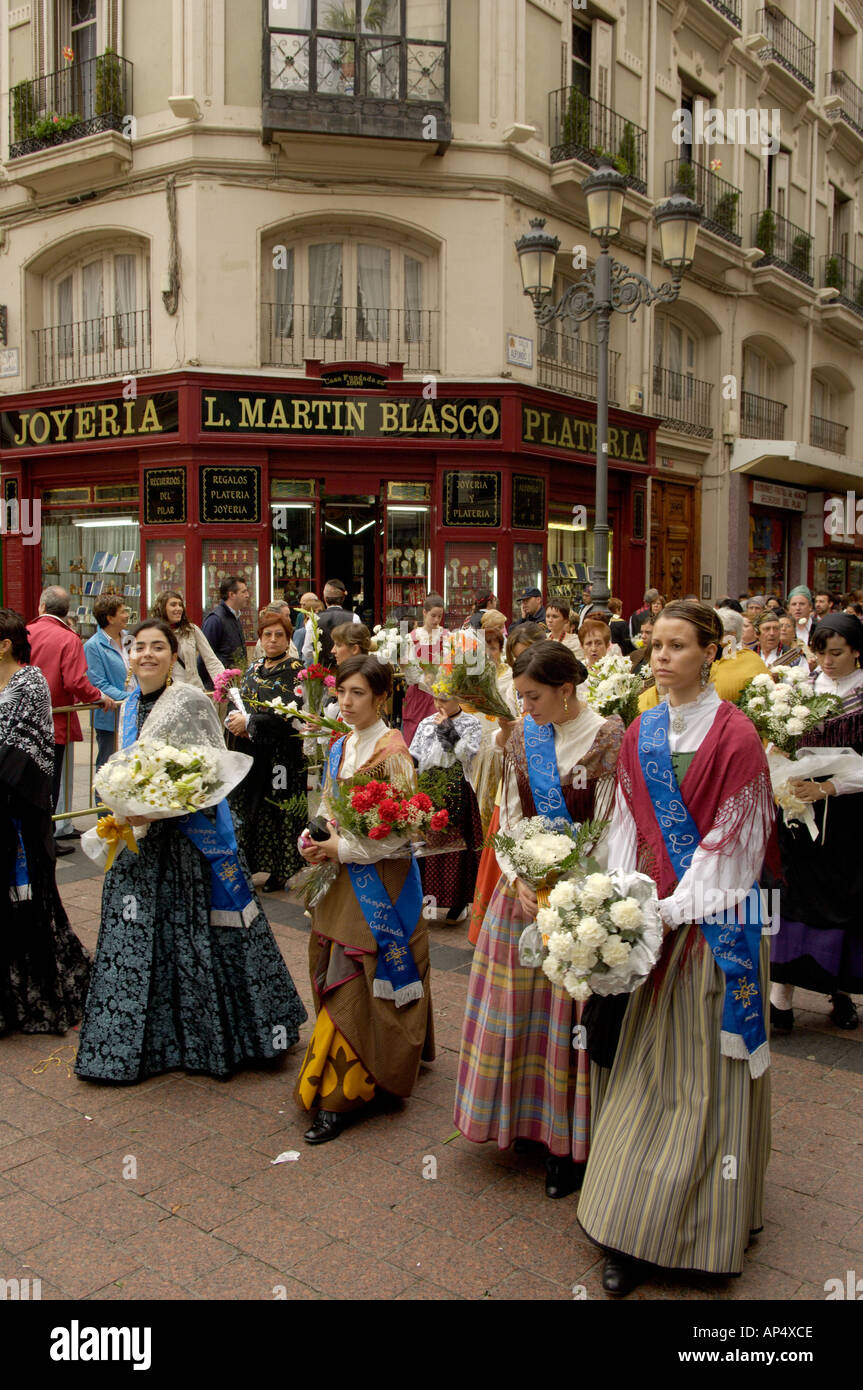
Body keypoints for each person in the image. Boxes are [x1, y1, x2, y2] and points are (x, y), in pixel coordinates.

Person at [577, 601, 774, 1294]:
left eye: (676, 647)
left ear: (709, 653)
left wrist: (666, 909)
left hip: (709, 929)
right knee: (645, 1073)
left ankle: (703, 1222)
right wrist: (621, 900)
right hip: (651, 921)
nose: (659, 658)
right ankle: (628, 1224)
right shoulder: (639, 730)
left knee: (701, 1077)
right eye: (653, 646)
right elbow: (626, 825)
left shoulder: (737, 738)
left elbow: (734, 848)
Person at [74, 619, 307, 1082]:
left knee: (196, 932)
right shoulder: (126, 708)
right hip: (140, 846)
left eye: (157, 647)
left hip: (189, 845)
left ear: (174, 655)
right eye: (138, 647)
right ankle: (133, 1047)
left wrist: (160, 806)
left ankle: (216, 1039)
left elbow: (210, 775)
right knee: (138, 934)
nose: (146, 655)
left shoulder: (191, 702)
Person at [454, 641, 622, 1198]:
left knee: (566, 1023)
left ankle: (567, 1143)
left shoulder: (607, 738)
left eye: (533, 696)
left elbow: (607, 826)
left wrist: (561, 884)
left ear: (566, 689)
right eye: (520, 696)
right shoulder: (525, 735)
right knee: (519, 1014)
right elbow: (511, 811)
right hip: (522, 893)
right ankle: (522, 1120)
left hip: (578, 900)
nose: (524, 707)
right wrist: (519, 874)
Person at [294, 656, 435, 1143]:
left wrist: (343, 849)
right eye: (340, 693)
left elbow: (404, 833)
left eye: (357, 694)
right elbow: (331, 807)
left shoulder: (394, 753)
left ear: (381, 698)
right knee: (333, 960)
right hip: (343, 875)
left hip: (382, 881)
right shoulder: (340, 746)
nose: (346, 702)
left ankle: (343, 1092)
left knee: (355, 972)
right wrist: (314, 839)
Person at [766, 613, 863, 1034]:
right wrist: (784, 774)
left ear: (857, 650)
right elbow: (777, 743)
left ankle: (838, 990)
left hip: (849, 817)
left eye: (837, 653)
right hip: (798, 813)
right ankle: (781, 994)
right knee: (795, 895)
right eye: (821, 652)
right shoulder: (799, 690)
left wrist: (831, 788)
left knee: (845, 899)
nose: (826, 661)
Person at [0, 609, 91, 1035]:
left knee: (31, 902)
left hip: (19, 815)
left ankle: (39, 992)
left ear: (5, 644)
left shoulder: (30, 682)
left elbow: (23, 751)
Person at [467, 623, 547, 947]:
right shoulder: (508, 685)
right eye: (518, 657)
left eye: (527, 652)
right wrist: (506, 728)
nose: (523, 660)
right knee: (504, 837)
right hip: (512, 774)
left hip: (543, 779)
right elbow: (499, 741)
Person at [27, 586, 117, 856]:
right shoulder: (68, 638)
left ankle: (38, 835)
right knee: (50, 783)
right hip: (54, 722)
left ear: (41, 606)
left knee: (32, 781)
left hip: (27, 721)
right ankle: (46, 838)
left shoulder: (26, 633)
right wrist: (98, 696)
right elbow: (76, 681)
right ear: (66, 611)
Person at [226, 608, 305, 894]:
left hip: (280, 755)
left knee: (277, 809)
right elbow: (239, 702)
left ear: (287, 638)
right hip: (252, 752)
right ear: (260, 638)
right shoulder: (254, 667)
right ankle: (250, 863)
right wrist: (233, 719)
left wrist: (249, 722)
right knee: (250, 808)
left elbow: (288, 713)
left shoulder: (295, 670)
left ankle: (281, 869)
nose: (272, 640)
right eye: (267, 635)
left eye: (278, 635)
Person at [410, 694, 483, 924]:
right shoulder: (425, 723)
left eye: (445, 700)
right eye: (436, 700)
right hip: (429, 786)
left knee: (455, 846)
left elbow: (467, 754)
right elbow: (415, 754)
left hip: (456, 785)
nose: (439, 706)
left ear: (458, 698)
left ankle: (458, 902)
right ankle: (427, 899)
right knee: (427, 845)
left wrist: (448, 730)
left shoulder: (471, 722)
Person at [84, 596, 131, 774]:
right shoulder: (93, 646)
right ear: (110, 618)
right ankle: (101, 802)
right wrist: (129, 698)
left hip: (133, 711)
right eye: (123, 612)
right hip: (111, 714)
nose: (127, 615)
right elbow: (98, 683)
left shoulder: (129, 639)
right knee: (108, 764)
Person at [401, 592, 449, 746]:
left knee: (436, 739)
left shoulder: (446, 636)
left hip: (439, 694)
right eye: (433, 615)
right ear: (424, 612)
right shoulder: (411, 637)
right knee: (414, 737)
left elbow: (450, 665)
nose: (436, 620)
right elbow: (409, 673)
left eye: (439, 616)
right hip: (417, 694)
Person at [152, 590, 224, 691]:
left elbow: (211, 660)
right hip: (167, 694)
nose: (178, 609)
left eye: (180, 605)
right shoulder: (153, 633)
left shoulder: (191, 630)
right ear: (162, 608)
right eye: (173, 605)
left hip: (194, 691)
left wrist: (223, 684)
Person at [200, 575, 249, 680]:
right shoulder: (215, 620)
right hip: (220, 686)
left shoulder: (235, 617)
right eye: (243, 592)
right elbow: (204, 657)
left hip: (235, 683)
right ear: (231, 595)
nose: (247, 595)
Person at [301, 579, 358, 666]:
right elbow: (358, 647)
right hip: (346, 669)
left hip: (322, 672)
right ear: (343, 598)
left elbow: (307, 651)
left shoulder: (314, 620)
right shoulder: (354, 618)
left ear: (324, 598)